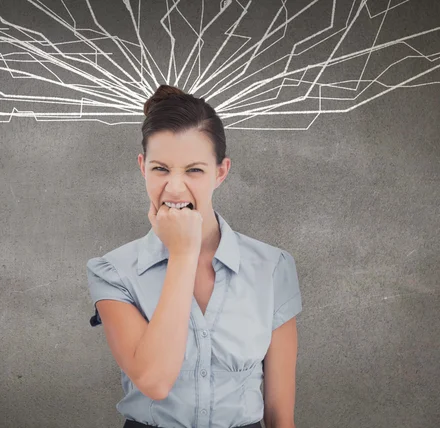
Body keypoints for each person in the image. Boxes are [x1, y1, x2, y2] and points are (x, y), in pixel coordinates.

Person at [87, 84, 303, 428]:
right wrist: (183, 253)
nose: (174, 188)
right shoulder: (113, 272)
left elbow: (280, 415)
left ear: (221, 171)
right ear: (142, 167)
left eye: (194, 170)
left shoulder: (273, 267)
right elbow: (154, 381)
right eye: (160, 169)